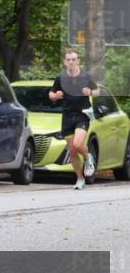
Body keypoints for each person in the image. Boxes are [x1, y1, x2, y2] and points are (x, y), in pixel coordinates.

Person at [48, 49, 100, 190]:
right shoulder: (60, 78)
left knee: (77, 145)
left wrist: (89, 92)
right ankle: (80, 179)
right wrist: (55, 95)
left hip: (82, 114)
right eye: (68, 59)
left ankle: (88, 158)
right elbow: (51, 94)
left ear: (78, 61)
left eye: (73, 59)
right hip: (67, 115)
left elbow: (97, 91)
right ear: (65, 62)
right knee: (72, 150)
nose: (71, 62)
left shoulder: (86, 76)